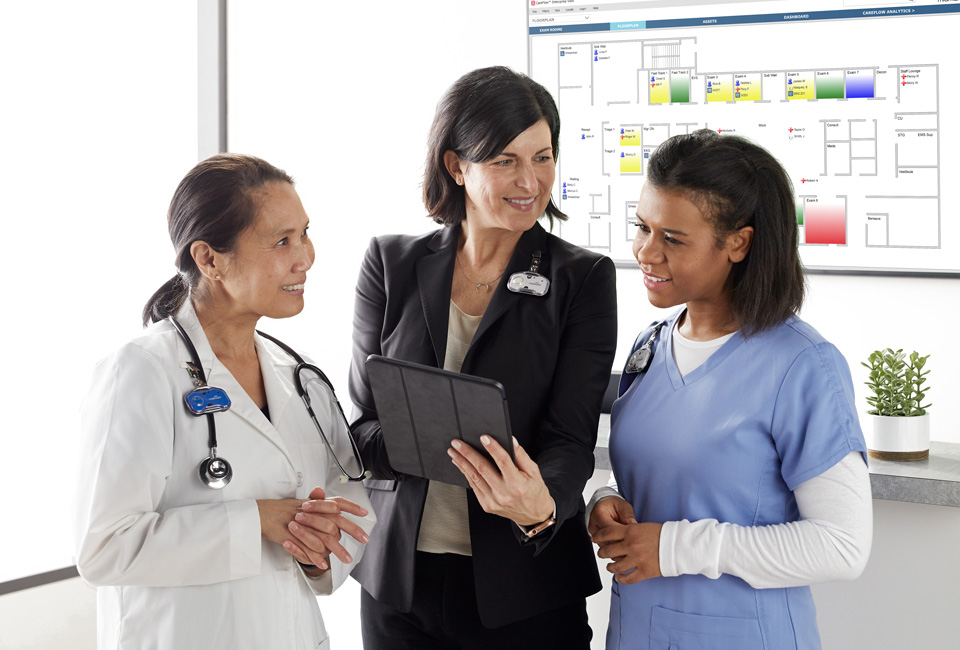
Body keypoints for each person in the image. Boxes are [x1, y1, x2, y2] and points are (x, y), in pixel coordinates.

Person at [348, 66, 618, 649]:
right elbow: (363, 428)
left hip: (525, 586)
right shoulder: (390, 263)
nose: (530, 180)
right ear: (456, 166)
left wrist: (540, 507)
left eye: (542, 157)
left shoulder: (583, 278)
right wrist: (436, 439)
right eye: (504, 161)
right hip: (400, 584)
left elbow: (571, 439)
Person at [74, 154, 375, 650]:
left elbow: (351, 500)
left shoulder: (301, 379)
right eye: (282, 241)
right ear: (209, 259)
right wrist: (257, 518)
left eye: (305, 233)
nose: (306, 256)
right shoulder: (141, 372)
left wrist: (318, 551)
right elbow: (105, 547)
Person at [588, 130, 873, 649]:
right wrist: (607, 499)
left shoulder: (803, 366)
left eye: (672, 239)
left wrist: (676, 547)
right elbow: (666, 472)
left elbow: (842, 545)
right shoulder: (649, 347)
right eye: (642, 227)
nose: (646, 253)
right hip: (639, 631)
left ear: (738, 243)